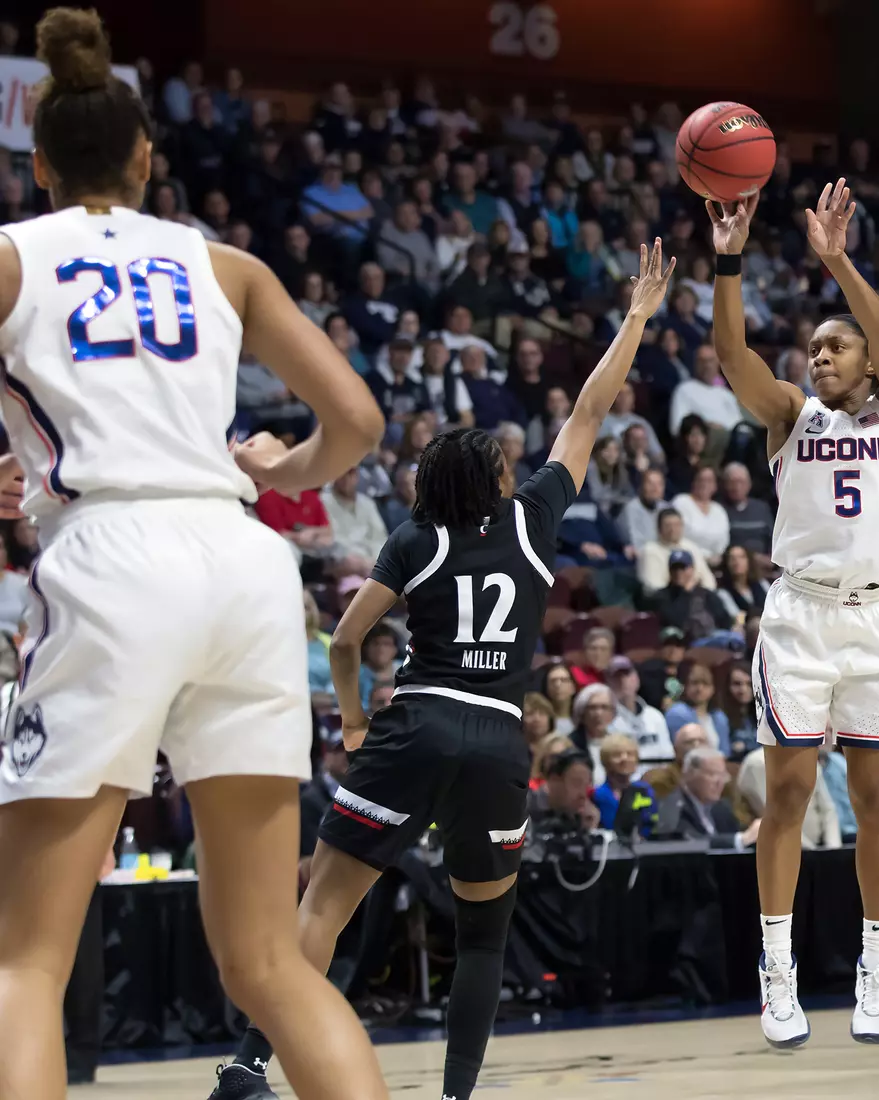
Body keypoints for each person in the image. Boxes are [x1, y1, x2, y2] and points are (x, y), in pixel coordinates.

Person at [0, 13, 388, 1100]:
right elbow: (355, 420)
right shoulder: (224, 266)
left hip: (111, 551)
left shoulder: (14, 254)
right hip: (242, 558)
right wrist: (281, 469)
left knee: (26, 959)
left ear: (36, 163)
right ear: (145, 157)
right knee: (267, 958)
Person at [211, 241, 673, 1100]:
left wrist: (352, 721)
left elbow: (345, 640)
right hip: (499, 738)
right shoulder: (536, 518)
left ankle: (246, 1066)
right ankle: (458, 1097)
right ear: (497, 479)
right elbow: (588, 408)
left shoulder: (414, 538)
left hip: (416, 722)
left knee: (321, 911)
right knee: (484, 938)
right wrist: (638, 315)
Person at [707, 181, 879, 1047]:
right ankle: (779, 972)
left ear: (865, 364)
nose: (819, 355)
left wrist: (837, 262)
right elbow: (731, 355)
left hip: (876, 623)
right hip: (800, 617)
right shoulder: (791, 415)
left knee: (876, 800)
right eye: (815, 346)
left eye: (836, 347)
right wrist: (729, 261)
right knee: (787, 793)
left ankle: (876, 968)